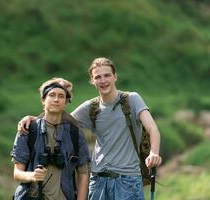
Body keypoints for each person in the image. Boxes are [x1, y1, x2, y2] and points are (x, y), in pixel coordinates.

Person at [18, 57, 162, 200]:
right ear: (92, 81)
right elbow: (58, 119)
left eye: (107, 75)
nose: (103, 80)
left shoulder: (132, 99)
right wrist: (33, 119)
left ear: (115, 77)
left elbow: (152, 128)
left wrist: (154, 153)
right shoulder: (91, 107)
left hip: (128, 181)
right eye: (97, 77)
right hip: (98, 181)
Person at [12, 77, 90, 200]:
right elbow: (17, 173)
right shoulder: (27, 130)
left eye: (61, 96)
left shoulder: (75, 134)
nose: (56, 99)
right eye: (52, 95)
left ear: (66, 101)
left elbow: (84, 173)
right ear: (43, 99)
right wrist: (33, 176)